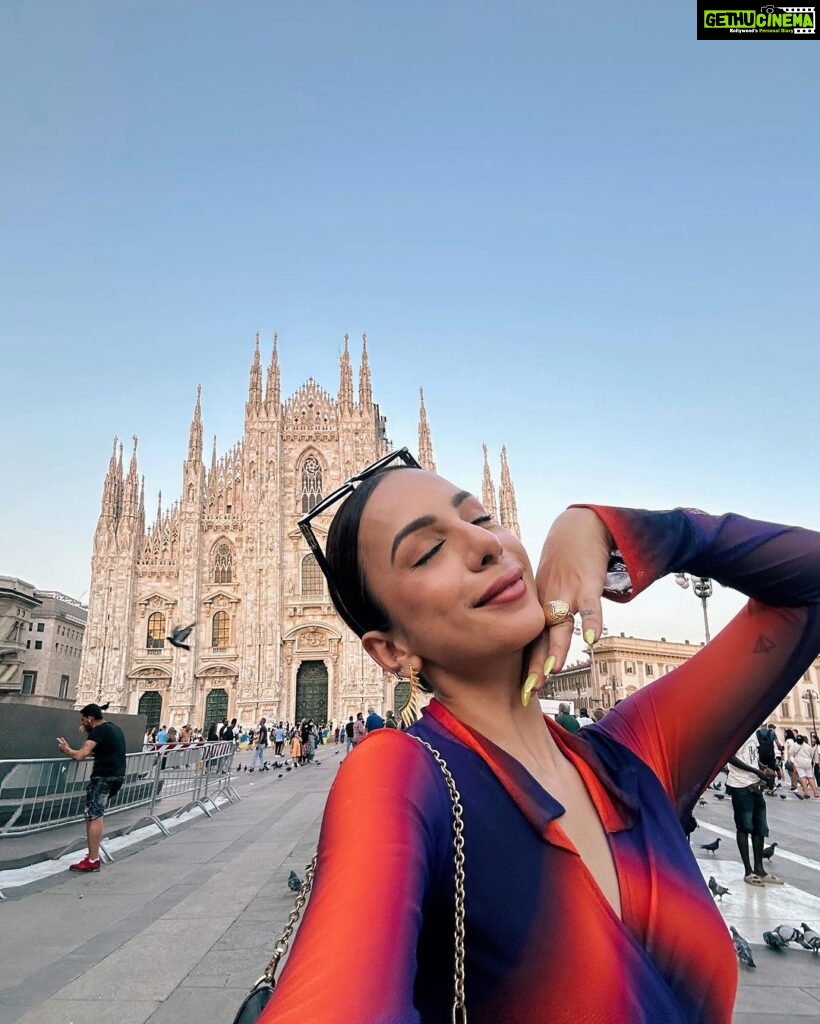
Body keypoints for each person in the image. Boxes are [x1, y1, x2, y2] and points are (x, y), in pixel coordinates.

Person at [255, 452, 820, 1024]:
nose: (484, 546)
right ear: (392, 651)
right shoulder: (400, 776)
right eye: (427, 551)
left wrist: (606, 525)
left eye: (482, 520)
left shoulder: (630, 757)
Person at [56, 703, 126, 873]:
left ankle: (93, 859)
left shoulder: (99, 731)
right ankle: (91, 855)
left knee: (95, 815)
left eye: (83, 720)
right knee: (94, 813)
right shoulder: (114, 728)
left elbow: (80, 755)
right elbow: (105, 749)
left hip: (103, 777)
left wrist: (66, 750)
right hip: (117, 776)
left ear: (90, 718)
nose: (82, 723)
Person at [726, 735, 782, 885]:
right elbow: (729, 757)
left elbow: (751, 757)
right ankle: (748, 871)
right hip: (740, 785)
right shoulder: (737, 730)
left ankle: (759, 869)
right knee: (744, 827)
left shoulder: (752, 733)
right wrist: (756, 771)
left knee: (759, 827)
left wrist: (763, 767)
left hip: (755, 785)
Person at [755, 722, 779, 794]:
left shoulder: (757, 733)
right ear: (766, 725)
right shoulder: (772, 732)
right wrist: (780, 748)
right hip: (770, 754)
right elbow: (778, 743)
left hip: (761, 754)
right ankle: (770, 786)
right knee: (771, 769)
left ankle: (763, 783)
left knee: (762, 768)